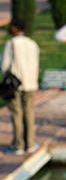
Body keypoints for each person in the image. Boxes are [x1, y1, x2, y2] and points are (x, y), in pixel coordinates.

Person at [1, 18, 40, 155]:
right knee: (28, 112)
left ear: (15, 28)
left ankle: (18, 144)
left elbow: (4, 65)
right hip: (30, 83)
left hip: (15, 85)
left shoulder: (11, 43)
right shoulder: (32, 43)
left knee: (16, 113)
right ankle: (30, 142)